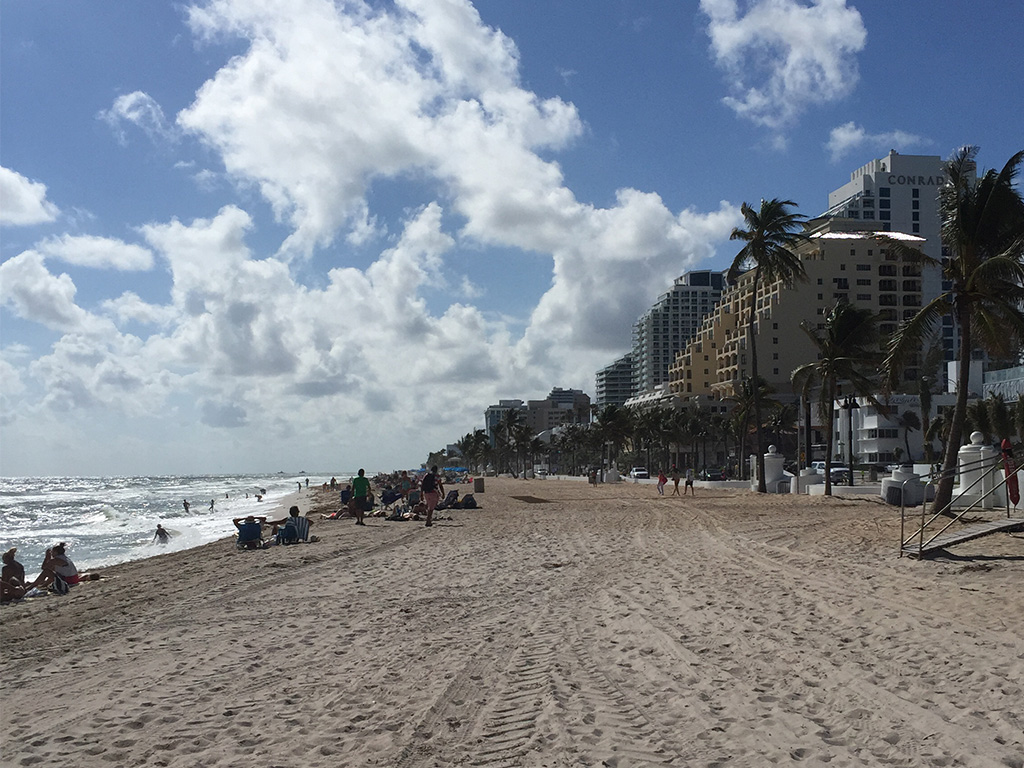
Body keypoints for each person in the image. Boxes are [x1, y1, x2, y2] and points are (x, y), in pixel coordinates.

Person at [34, 543, 100, 591]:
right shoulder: (64, 558)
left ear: (56, 552)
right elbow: (53, 569)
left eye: (52, 552)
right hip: (73, 579)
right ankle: (40, 584)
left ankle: (33, 586)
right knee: (52, 572)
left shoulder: (56, 560)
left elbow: (44, 568)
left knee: (46, 572)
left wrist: (47, 557)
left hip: (68, 581)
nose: (51, 553)